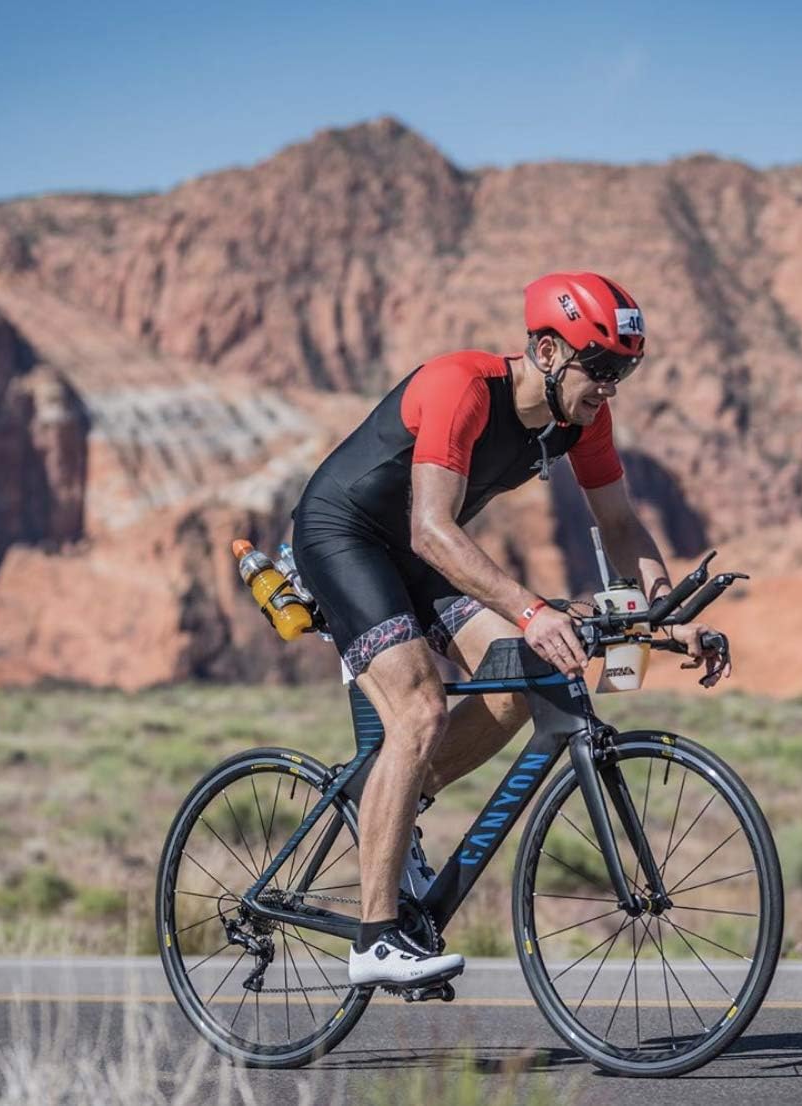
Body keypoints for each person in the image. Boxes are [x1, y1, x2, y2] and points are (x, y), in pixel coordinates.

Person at [290, 272, 730, 987]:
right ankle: (375, 937)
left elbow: (618, 523)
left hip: (419, 549)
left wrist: (667, 618)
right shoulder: (461, 385)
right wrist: (533, 609)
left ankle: (395, 806)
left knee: (523, 676)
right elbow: (433, 528)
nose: (611, 386)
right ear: (550, 351)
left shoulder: (582, 420)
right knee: (421, 708)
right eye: (602, 366)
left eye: (625, 370)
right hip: (346, 537)